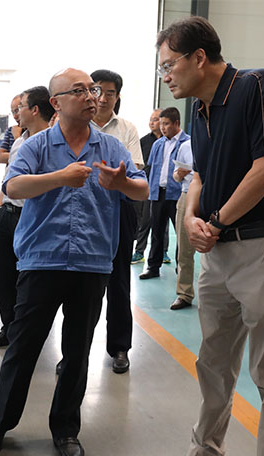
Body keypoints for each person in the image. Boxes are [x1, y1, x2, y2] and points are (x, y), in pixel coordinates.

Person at [153, 17, 264, 456]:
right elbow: (199, 174)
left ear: (199, 57)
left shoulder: (254, 85)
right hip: (217, 252)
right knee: (214, 363)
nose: (165, 76)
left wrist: (214, 223)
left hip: (262, 247)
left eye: (169, 65)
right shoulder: (198, 111)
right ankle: (206, 455)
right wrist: (193, 216)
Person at [0, 68, 148, 456]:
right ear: (56, 102)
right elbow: (13, 187)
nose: (91, 97)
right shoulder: (36, 146)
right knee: (22, 348)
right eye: (79, 91)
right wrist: (59, 178)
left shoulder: (111, 147)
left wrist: (121, 184)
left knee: (76, 353)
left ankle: (66, 430)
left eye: (93, 90)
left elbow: (141, 189)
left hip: (91, 263)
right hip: (42, 260)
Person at [0, 86, 54, 349]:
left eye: (20, 108)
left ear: (35, 110)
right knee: (4, 278)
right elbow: (8, 180)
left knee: (32, 281)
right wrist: (0, 209)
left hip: (34, 219)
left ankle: (28, 334)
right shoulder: (19, 141)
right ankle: (8, 329)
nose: (16, 114)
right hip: (8, 215)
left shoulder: (54, 144)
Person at [89, 68, 145, 373]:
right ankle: (75, 349)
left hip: (119, 210)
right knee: (81, 282)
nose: (103, 98)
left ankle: (120, 347)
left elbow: (134, 170)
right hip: (85, 210)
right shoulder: (77, 125)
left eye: (110, 93)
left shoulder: (126, 129)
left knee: (119, 280)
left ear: (117, 97)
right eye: (97, 91)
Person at [139, 107, 190, 280]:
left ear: (176, 123)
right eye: (161, 123)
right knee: (156, 232)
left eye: (166, 124)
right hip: (158, 194)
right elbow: (152, 168)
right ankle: (153, 267)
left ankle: (181, 270)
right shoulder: (158, 144)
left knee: (181, 235)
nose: (162, 127)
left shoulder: (187, 143)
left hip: (178, 195)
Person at [0, 94, 25, 303]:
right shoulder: (13, 133)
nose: (16, 114)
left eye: (19, 109)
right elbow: (1, 157)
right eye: (13, 111)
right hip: (9, 202)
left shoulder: (40, 138)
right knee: (4, 260)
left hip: (27, 210)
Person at [132, 109, 165, 263]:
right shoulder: (144, 141)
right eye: (151, 119)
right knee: (144, 220)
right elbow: (138, 163)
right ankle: (139, 251)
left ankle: (163, 252)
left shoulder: (170, 141)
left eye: (155, 119)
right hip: (146, 186)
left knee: (162, 222)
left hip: (164, 188)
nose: (152, 122)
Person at [171, 137, 195, 310]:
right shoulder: (186, 146)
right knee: (184, 249)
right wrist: (179, 175)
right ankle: (184, 293)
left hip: (213, 195)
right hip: (187, 195)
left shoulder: (221, 141)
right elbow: (175, 176)